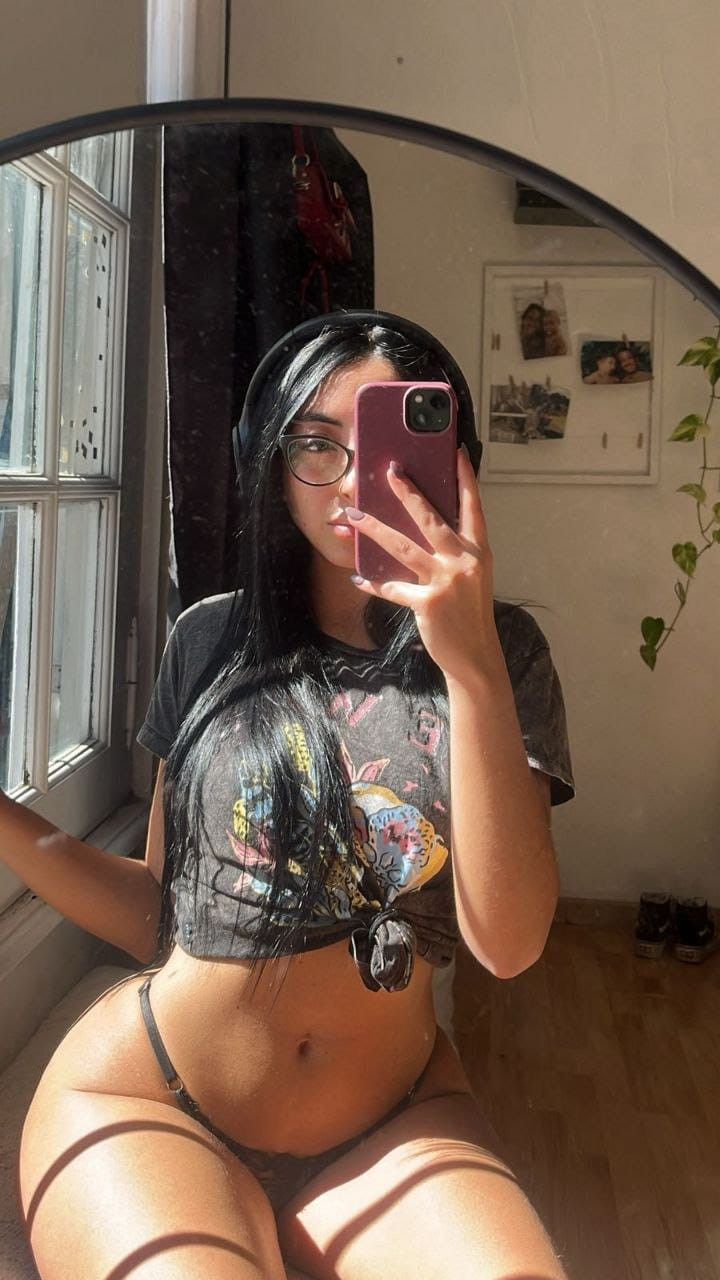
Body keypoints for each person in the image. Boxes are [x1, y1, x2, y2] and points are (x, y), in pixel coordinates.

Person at [13, 311, 574, 1279]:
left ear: (453, 463)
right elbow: (159, 909)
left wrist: (472, 663)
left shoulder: (504, 652)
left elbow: (510, 943)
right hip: (154, 1098)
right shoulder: (210, 638)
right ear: (273, 465)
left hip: (391, 1121)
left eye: (388, 444)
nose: (354, 482)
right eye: (316, 444)